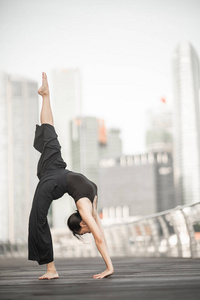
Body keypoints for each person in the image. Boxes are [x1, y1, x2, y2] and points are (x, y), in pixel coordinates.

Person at [28, 72, 114, 280]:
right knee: (37, 220)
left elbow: (99, 235)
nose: (88, 231)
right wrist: (109, 268)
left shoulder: (91, 202)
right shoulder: (87, 209)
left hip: (58, 170)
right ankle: (46, 95)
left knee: (50, 137)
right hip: (53, 178)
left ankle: (51, 269)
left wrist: (109, 265)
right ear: (82, 223)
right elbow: (99, 237)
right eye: (85, 232)